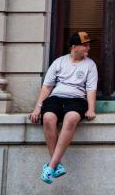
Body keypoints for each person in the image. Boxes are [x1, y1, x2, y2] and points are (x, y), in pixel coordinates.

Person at [29, 30, 98, 185]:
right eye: (85, 45)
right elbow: (47, 87)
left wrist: (91, 108)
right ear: (74, 47)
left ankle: (51, 166)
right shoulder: (59, 62)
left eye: (88, 46)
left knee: (71, 118)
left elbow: (90, 89)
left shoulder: (90, 65)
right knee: (48, 118)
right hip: (56, 97)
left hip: (77, 99)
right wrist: (37, 108)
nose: (88, 48)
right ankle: (56, 166)